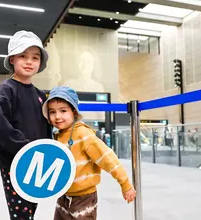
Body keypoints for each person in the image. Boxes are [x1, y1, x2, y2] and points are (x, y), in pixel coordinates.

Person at [42, 86, 136, 220]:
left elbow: (107, 158)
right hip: (63, 196)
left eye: (63, 111)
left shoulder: (83, 134)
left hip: (84, 198)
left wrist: (125, 184)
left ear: (74, 112)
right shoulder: (56, 136)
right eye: (52, 112)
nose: (57, 116)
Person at [0, 30, 52, 220]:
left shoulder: (40, 95)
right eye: (23, 56)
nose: (29, 61)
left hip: (37, 163)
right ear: (12, 59)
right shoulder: (6, 89)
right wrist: (26, 148)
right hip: (14, 163)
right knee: (21, 214)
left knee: (31, 208)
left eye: (35, 57)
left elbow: (46, 129)